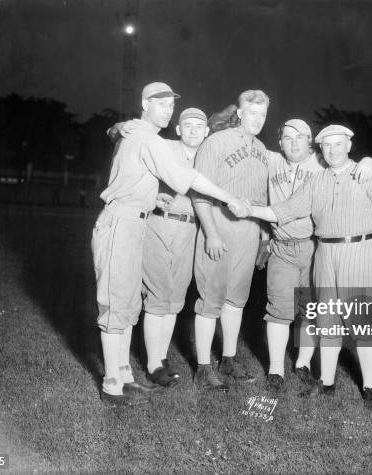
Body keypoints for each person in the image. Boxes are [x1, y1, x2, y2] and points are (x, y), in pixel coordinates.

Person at [92, 82, 249, 405]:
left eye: (170, 105)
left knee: (129, 304)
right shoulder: (147, 138)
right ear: (144, 104)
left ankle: (124, 374)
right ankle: (111, 384)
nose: (167, 109)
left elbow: (120, 142)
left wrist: (153, 196)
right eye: (160, 104)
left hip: (136, 220)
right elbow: (190, 179)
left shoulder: (138, 134)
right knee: (115, 303)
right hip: (120, 223)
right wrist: (230, 197)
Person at [238, 124, 372, 410]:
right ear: (320, 150)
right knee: (327, 320)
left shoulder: (367, 175)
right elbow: (283, 211)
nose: (333, 150)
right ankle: (326, 382)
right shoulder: (316, 180)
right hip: (324, 252)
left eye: (338, 144)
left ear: (349, 145)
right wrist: (248, 208)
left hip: (359, 251)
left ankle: (370, 385)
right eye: (327, 145)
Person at [263, 119, 372, 392]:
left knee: (314, 311)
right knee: (279, 309)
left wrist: (371, 160)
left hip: (316, 247)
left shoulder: (322, 161)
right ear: (279, 143)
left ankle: (303, 364)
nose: (294, 143)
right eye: (287, 138)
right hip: (284, 246)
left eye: (301, 137)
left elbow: (351, 163)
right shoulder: (270, 160)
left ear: (311, 141)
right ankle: (276, 371)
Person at [191, 90, 270, 391]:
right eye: (252, 113)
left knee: (236, 301)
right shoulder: (215, 142)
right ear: (239, 112)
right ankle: (202, 368)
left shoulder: (262, 148)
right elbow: (199, 192)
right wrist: (210, 232)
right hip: (220, 224)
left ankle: (229, 359)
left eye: (262, 114)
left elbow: (260, 198)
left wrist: (263, 232)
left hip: (248, 230)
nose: (258, 119)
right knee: (210, 300)